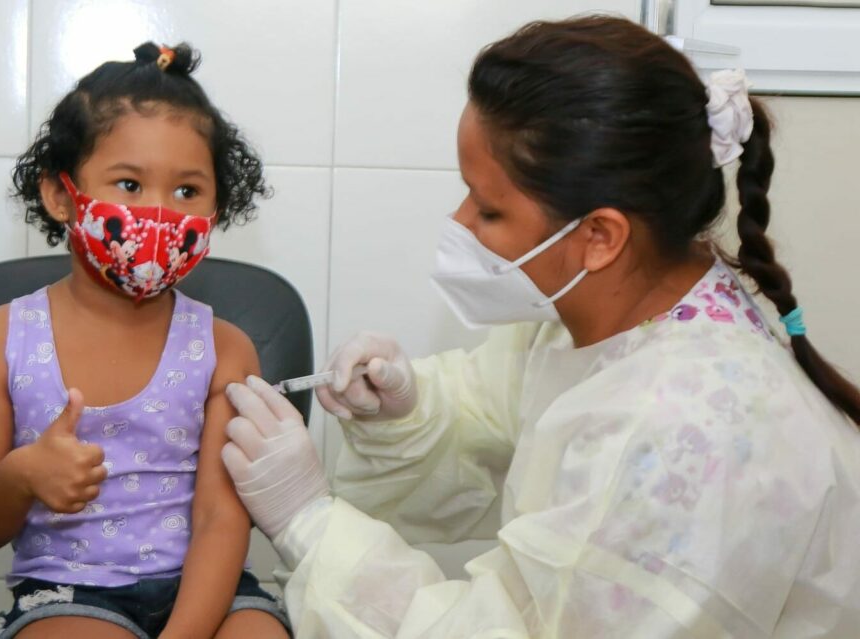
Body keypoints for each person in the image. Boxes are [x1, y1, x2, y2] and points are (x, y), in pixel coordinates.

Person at [221, 16, 860, 638]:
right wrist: (407, 414)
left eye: (489, 209)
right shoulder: (610, 311)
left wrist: (310, 524)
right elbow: (502, 413)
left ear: (600, 236)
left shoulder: (686, 438)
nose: (461, 223)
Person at [0, 42, 290, 639]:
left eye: (187, 192)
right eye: (129, 184)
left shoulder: (226, 350)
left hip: (211, 589)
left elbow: (220, 521)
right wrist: (21, 475)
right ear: (60, 195)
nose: (158, 214)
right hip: (68, 593)